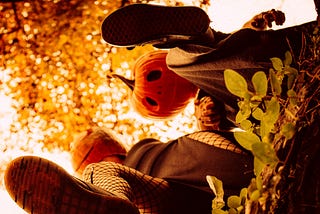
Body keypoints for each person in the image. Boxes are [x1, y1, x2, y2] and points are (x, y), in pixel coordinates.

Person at [4, 3, 318, 214]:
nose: (88, 133)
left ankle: (192, 37)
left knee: (179, 62)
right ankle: (197, 40)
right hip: (193, 199)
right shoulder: (112, 170)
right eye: (84, 147)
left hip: (249, 149)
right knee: (106, 173)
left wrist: (209, 117)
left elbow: (211, 142)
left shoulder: (154, 152)